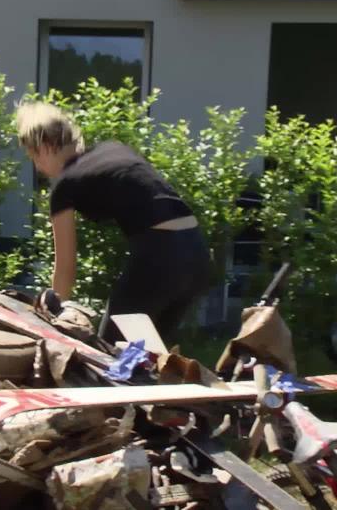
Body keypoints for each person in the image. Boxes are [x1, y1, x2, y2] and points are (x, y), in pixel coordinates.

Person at [15, 101, 210, 346]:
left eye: (34, 158)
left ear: (44, 147)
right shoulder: (113, 149)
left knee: (108, 356)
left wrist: (53, 322)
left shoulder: (64, 185)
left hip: (161, 256)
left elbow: (65, 268)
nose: (38, 167)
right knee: (149, 356)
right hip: (197, 254)